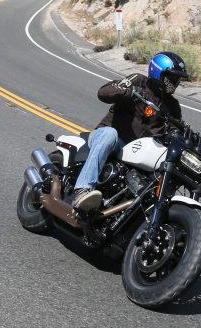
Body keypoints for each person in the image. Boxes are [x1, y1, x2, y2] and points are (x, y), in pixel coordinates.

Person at [70, 51, 189, 213]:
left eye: (177, 79)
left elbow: (177, 130)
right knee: (110, 134)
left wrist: (183, 136)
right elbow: (104, 92)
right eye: (172, 78)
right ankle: (82, 190)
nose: (175, 83)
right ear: (158, 71)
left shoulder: (173, 105)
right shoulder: (138, 81)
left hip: (137, 153)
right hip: (112, 140)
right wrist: (126, 91)